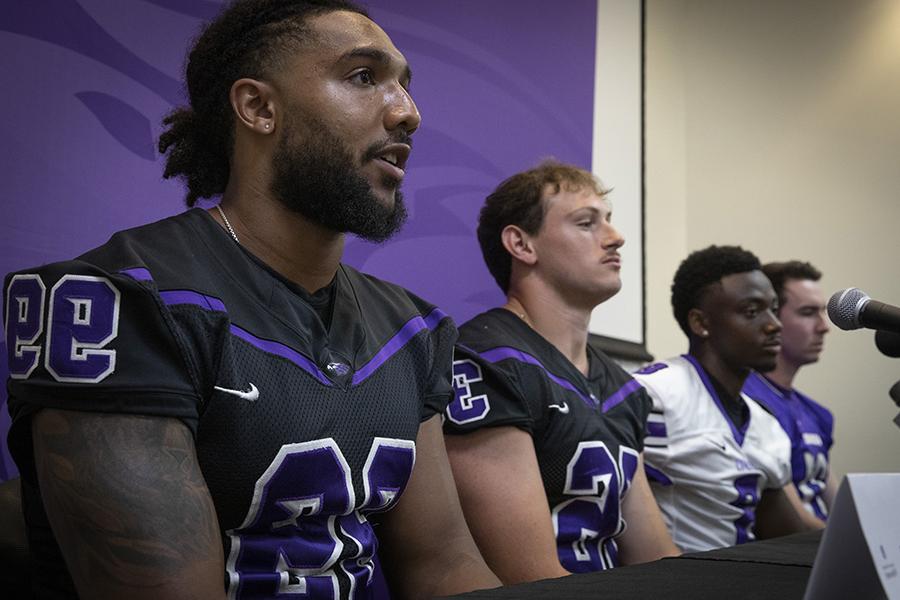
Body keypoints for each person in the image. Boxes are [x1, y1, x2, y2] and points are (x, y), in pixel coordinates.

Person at [2, 1, 500, 598]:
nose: (407, 113)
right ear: (258, 107)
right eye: (364, 77)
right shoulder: (125, 300)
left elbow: (444, 566)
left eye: (405, 86)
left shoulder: (410, 327)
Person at [443, 161, 679, 585]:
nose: (616, 237)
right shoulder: (488, 362)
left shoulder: (623, 387)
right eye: (586, 223)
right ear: (522, 244)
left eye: (609, 220)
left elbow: (655, 556)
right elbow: (529, 577)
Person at [633, 245, 821, 553]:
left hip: (744, 579)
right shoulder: (656, 393)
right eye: (752, 311)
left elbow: (788, 540)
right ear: (701, 323)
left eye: (773, 308)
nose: (774, 324)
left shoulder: (765, 424)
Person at [742, 261, 836, 521]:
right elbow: (791, 520)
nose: (823, 326)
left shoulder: (818, 414)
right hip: (790, 551)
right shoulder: (748, 401)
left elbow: (839, 507)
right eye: (808, 312)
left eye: (823, 312)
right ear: (770, 319)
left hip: (824, 546)